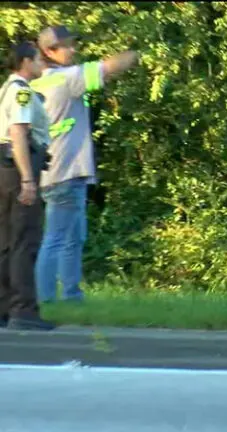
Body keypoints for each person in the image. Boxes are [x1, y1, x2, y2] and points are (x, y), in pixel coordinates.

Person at [32, 25, 138, 303]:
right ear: (49, 51)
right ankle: (46, 299)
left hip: (56, 172)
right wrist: (138, 52)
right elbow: (109, 67)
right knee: (56, 238)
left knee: (72, 238)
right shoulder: (66, 78)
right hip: (66, 172)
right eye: (66, 46)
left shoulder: (37, 83)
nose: (73, 49)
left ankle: (70, 296)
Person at [0, 41, 55, 330]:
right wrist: (28, 179)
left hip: (4, 170)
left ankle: (5, 307)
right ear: (25, 62)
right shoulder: (21, 92)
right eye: (37, 59)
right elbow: (18, 133)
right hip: (18, 168)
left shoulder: (7, 89)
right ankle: (23, 310)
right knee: (24, 240)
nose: (42, 64)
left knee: (7, 241)